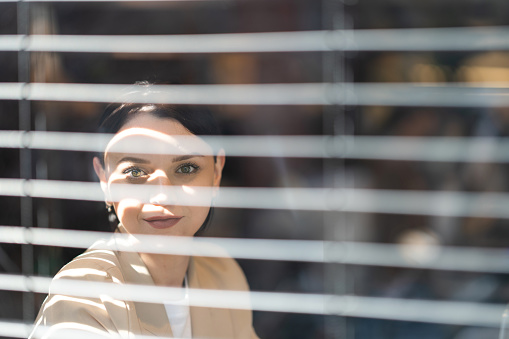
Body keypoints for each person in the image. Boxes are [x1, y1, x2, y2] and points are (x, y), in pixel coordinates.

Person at [30, 88, 259, 338]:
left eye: (186, 168)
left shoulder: (222, 276)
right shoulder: (85, 294)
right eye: (136, 172)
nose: (162, 196)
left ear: (216, 173)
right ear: (104, 180)